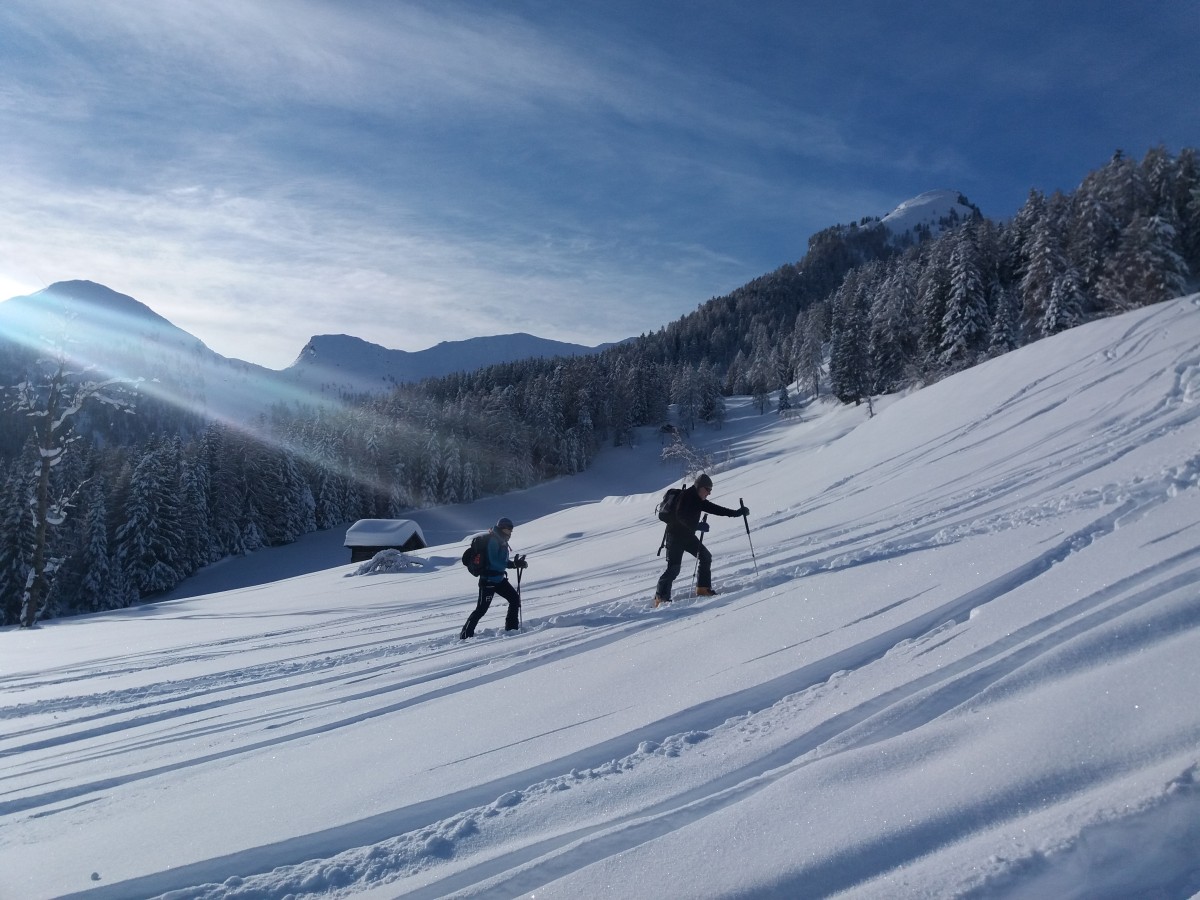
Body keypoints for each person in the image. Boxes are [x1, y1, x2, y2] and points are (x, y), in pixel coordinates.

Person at [653, 473, 748, 608]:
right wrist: (696, 526)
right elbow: (680, 516)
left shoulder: (698, 499)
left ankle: (703, 588)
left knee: (705, 556)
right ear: (699, 487)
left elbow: (714, 508)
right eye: (707, 489)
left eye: (710, 490)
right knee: (674, 568)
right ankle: (660, 598)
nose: (709, 493)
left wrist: (735, 513)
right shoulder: (686, 496)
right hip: (674, 536)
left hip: (687, 537)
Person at [460, 517, 528, 638]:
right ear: (503, 528)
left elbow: (502, 561)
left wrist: (514, 564)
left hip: (499, 579)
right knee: (481, 610)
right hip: (488, 581)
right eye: (509, 529)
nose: (511, 532)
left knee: (514, 599)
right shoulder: (493, 540)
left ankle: (511, 629)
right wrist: (513, 565)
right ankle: (465, 635)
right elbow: (494, 561)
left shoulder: (501, 540)